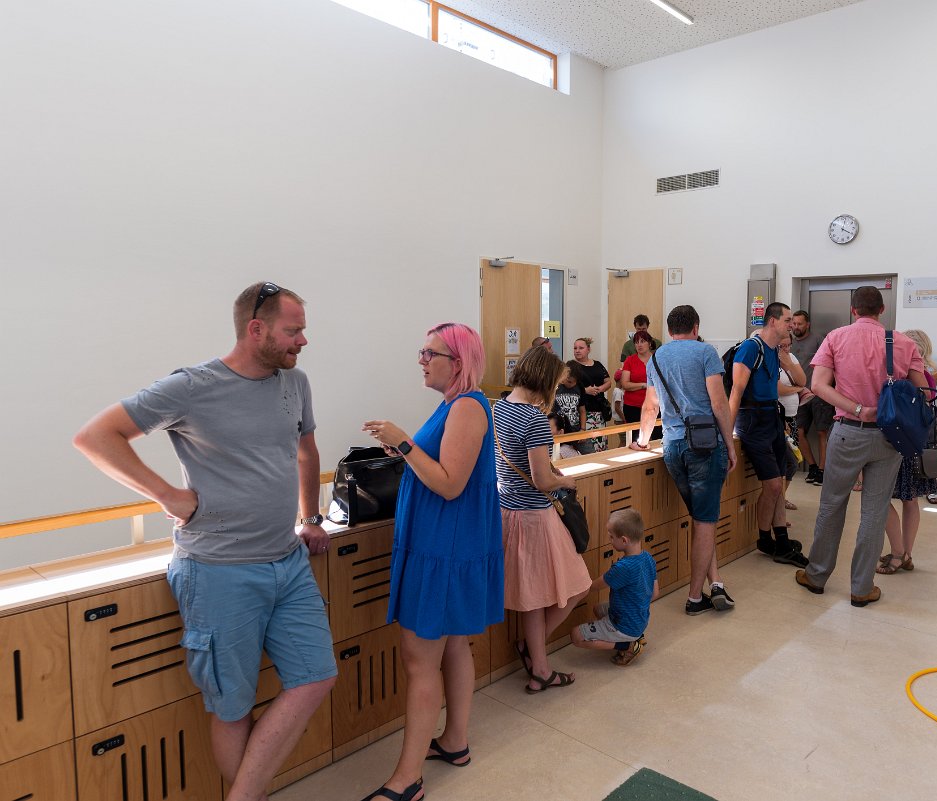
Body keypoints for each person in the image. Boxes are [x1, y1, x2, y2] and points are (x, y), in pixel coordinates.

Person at [72, 281, 337, 801]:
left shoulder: (295, 382)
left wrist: (310, 517)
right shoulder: (192, 386)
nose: (303, 340)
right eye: (294, 330)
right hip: (218, 571)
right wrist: (166, 495)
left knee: (316, 677)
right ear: (256, 329)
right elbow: (95, 436)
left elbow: (306, 451)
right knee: (232, 706)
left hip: (287, 563)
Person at [359, 322, 503, 801]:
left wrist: (404, 442)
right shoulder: (455, 405)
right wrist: (407, 450)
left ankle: (407, 779)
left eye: (429, 353)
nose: (421, 360)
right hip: (446, 544)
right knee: (454, 646)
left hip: (445, 548)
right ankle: (454, 741)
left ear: (457, 362)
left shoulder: (467, 407)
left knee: (420, 661)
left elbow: (449, 483)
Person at [795, 287, 927, 608]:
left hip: (847, 433)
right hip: (889, 437)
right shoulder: (903, 343)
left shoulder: (835, 338)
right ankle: (862, 587)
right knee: (874, 511)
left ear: (853, 310)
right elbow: (923, 392)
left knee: (831, 506)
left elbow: (818, 385)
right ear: (882, 309)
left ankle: (816, 576)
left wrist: (857, 408)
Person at [495, 346, 592, 693]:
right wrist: (565, 481)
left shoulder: (499, 408)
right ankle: (534, 656)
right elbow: (541, 480)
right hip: (536, 518)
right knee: (580, 585)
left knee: (533, 598)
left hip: (507, 512)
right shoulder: (534, 419)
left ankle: (539, 667)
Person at [630, 304, 738, 615]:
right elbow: (719, 403)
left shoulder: (657, 358)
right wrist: (729, 445)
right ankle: (694, 598)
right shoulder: (705, 353)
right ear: (696, 327)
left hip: (673, 447)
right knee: (705, 520)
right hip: (705, 446)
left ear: (668, 330)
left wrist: (642, 441)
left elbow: (651, 405)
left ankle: (716, 583)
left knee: (702, 517)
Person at [728, 302, 810, 568]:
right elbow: (736, 391)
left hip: (772, 417)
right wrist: (727, 435)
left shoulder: (774, 350)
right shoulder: (751, 348)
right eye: (787, 320)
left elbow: (785, 384)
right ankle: (766, 539)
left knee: (780, 480)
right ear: (773, 321)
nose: (791, 325)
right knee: (773, 485)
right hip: (752, 421)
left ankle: (779, 541)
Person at [878, 329, 937, 574]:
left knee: (880, 498)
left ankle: (898, 552)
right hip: (917, 441)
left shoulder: (904, 375)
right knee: (911, 500)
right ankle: (906, 553)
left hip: (899, 441)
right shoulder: (929, 377)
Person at [570, 509, 659, 666]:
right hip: (640, 621)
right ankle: (634, 637)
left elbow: (593, 586)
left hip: (625, 625)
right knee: (598, 609)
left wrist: (573, 587)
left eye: (611, 537)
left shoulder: (623, 568)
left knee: (576, 635)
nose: (609, 540)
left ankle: (626, 645)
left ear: (624, 540)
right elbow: (655, 593)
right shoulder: (648, 558)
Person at [790, 310, 834, 485]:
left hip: (819, 395)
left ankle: (823, 471)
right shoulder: (789, 342)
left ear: (807, 324)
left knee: (823, 432)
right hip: (798, 395)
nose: (796, 327)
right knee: (798, 432)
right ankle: (813, 467)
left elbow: (830, 364)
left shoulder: (818, 340)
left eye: (799, 324)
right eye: (793, 323)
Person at [777, 331, 815, 512]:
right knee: (786, 461)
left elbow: (802, 379)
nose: (785, 349)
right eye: (782, 346)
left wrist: (790, 365)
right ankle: (777, 501)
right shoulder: (770, 360)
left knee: (793, 459)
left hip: (792, 416)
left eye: (788, 345)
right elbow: (778, 389)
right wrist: (798, 389)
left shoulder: (791, 358)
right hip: (778, 418)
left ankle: (782, 498)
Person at [569, 337, 612, 452]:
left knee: (600, 444)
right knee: (586, 447)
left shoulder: (598, 364)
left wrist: (600, 389)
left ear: (588, 349)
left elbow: (608, 382)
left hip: (598, 411)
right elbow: (566, 386)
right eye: (575, 348)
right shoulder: (571, 367)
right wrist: (585, 390)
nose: (577, 351)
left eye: (581, 348)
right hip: (581, 412)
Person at [619, 330, 661, 442]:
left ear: (650, 343)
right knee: (636, 439)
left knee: (658, 438)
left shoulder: (658, 359)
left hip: (655, 405)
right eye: (636, 342)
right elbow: (625, 384)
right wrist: (644, 385)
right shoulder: (630, 360)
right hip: (633, 406)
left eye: (642, 341)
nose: (639, 345)